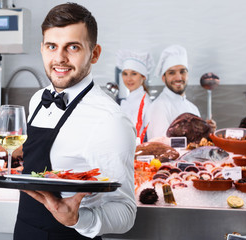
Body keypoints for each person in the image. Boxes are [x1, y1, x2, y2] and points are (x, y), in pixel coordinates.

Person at [14, 3, 137, 240]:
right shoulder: (38, 99)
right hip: (24, 230)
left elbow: (125, 212)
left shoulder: (110, 120)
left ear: (95, 53)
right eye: (52, 46)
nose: (59, 58)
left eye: (73, 47)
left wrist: (78, 218)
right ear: (42, 48)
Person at [144, 45, 216, 140]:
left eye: (182, 72)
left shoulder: (193, 108)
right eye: (172, 73)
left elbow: (199, 144)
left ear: (188, 75)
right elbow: (159, 145)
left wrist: (208, 133)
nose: (178, 78)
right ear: (163, 78)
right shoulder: (158, 106)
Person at [116, 50, 154, 133]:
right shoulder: (131, 99)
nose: (128, 79)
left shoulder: (144, 102)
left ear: (143, 76)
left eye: (134, 74)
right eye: (125, 74)